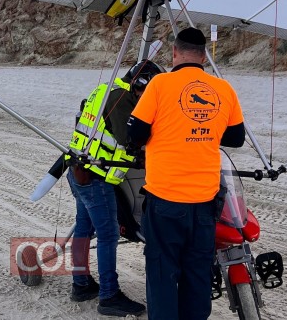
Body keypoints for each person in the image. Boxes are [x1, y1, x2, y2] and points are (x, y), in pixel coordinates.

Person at [127, 28, 245, 320]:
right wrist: (203, 130)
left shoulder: (159, 84)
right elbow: (236, 137)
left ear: (174, 53)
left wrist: (170, 129)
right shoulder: (224, 88)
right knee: (197, 274)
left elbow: (135, 133)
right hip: (205, 203)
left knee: (162, 272)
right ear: (204, 57)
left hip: (165, 200)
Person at [66, 60, 164, 317]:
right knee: (108, 235)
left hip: (78, 170)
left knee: (84, 229)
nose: (148, 99)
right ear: (138, 85)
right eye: (147, 93)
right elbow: (129, 139)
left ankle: (81, 284)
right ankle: (109, 295)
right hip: (95, 178)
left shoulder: (107, 89)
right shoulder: (121, 100)